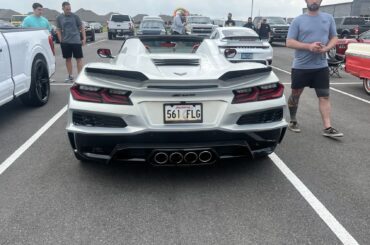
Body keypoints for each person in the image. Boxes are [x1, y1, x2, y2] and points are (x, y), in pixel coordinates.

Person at [286, 0, 343, 137]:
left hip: (321, 66)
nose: (314, 1)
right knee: (295, 94)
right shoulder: (298, 20)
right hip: (301, 66)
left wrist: (327, 48)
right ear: (306, 1)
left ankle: (327, 127)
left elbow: (334, 37)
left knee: (324, 96)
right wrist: (309, 46)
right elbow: (289, 42)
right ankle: (293, 120)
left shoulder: (328, 18)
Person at [56, 2, 86, 83]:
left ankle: (80, 77)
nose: (69, 10)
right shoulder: (59, 18)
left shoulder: (75, 16)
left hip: (76, 41)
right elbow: (58, 29)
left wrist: (84, 38)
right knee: (68, 59)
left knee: (79, 59)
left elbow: (82, 27)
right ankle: (70, 76)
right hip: (65, 42)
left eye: (70, 9)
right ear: (63, 9)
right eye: (67, 9)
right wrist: (60, 39)